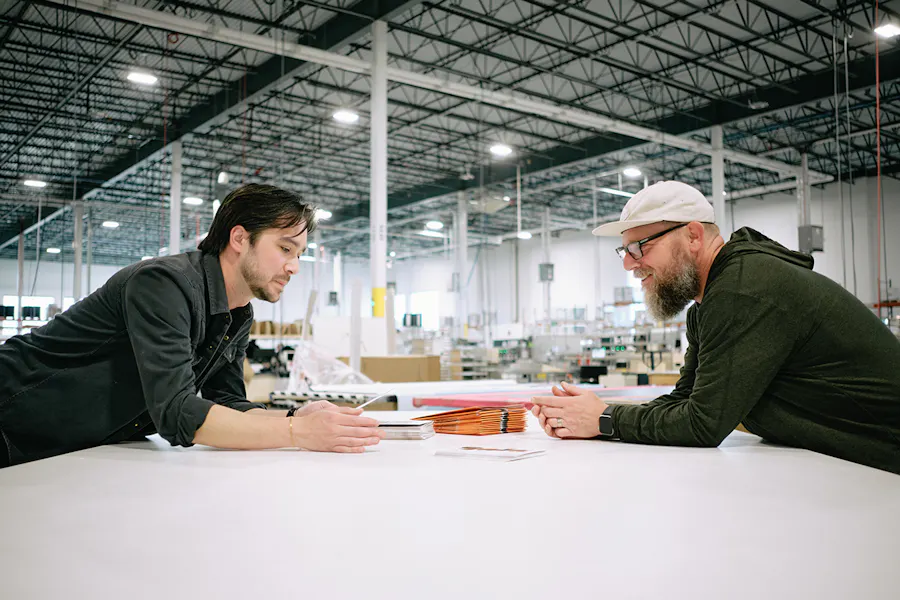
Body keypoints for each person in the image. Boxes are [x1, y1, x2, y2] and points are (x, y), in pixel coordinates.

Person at [0, 184, 383, 468]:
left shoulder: (238, 313)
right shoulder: (164, 284)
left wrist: (296, 417)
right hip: (13, 414)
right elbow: (177, 412)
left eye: (299, 254)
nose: (294, 266)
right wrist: (298, 435)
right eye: (285, 249)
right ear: (239, 238)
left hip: (70, 447)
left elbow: (227, 402)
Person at [531, 181, 900, 474]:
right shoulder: (709, 304)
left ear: (693, 236)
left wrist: (605, 419)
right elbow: (685, 400)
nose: (630, 265)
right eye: (624, 251)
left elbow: (702, 424)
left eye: (640, 247)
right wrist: (592, 413)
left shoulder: (745, 288)